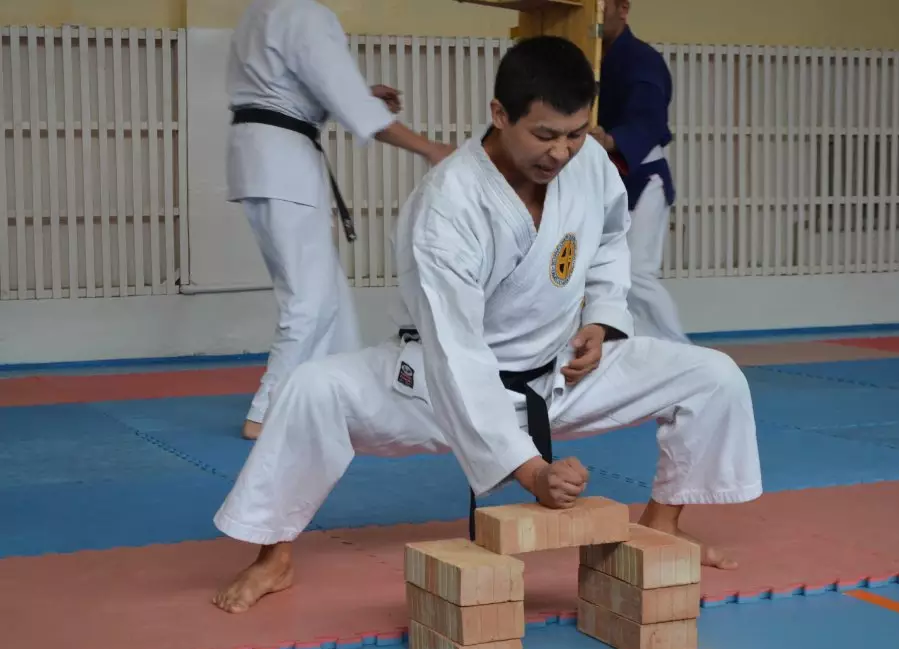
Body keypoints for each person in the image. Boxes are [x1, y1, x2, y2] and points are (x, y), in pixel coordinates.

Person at [211, 35, 762, 614]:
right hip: (435, 388)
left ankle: (662, 524)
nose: (561, 152)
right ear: (500, 114)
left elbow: (608, 240)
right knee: (311, 390)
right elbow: (457, 352)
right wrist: (533, 473)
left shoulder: (590, 163)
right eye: (544, 135)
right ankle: (273, 557)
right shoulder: (448, 204)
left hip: (559, 376)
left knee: (713, 376)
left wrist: (602, 319)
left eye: (575, 134)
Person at [227, 0, 455, 440]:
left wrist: (359, 96)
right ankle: (269, 410)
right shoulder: (305, 13)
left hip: (263, 156)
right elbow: (347, 101)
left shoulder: (262, 11)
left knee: (329, 297)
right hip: (281, 161)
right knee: (309, 301)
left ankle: (337, 399)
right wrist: (431, 148)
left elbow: (290, 87)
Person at [590, 0, 689, 343]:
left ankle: (679, 349)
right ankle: (633, 347)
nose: (596, 13)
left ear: (622, 8)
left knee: (637, 273)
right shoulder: (585, 56)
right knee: (604, 272)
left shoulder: (642, 59)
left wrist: (611, 139)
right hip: (602, 180)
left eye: (602, 4)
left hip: (641, 177)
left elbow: (649, 119)